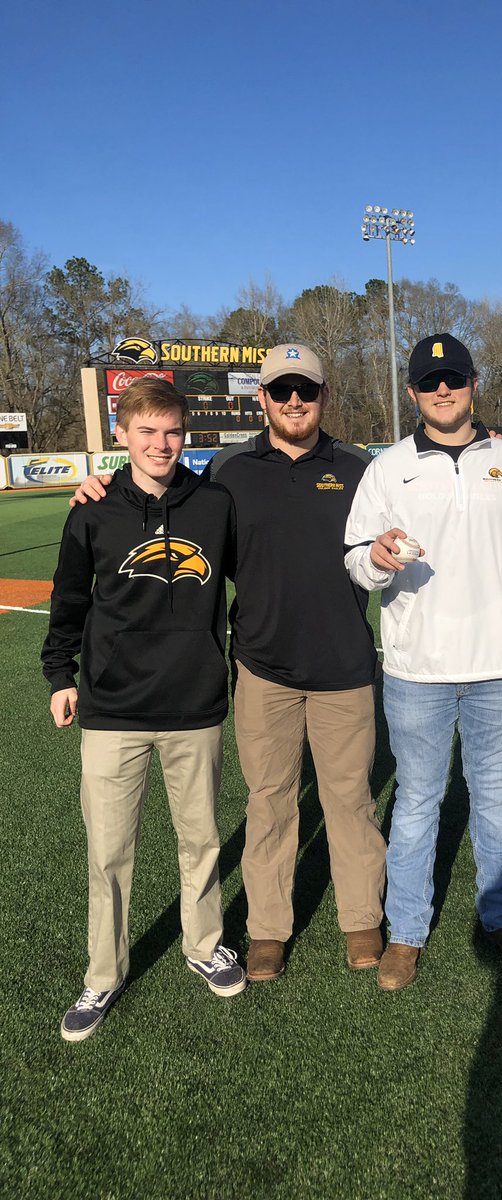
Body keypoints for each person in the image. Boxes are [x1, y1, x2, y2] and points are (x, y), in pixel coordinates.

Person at [71, 345, 386, 983]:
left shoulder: (359, 468)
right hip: (262, 668)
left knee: (350, 801)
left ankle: (362, 921)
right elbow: (173, 510)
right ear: (262, 398)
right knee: (270, 802)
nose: (294, 401)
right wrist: (100, 488)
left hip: (345, 664)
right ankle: (267, 928)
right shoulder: (228, 469)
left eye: (307, 390)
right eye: (281, 390)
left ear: (325, 395)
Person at [344, 333, 502, 990]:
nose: (444, 390)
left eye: (455, 378)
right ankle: (407, 932)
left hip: (499, 665)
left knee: (497, 799)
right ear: (413, 392)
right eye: (430, 381)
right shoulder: (387, 469)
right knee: (418, 802)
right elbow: (356, 559)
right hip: (417, 669)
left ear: (473, 385)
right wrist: (378, 559)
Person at [43, 377, 245, 1042]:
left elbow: (255, 580)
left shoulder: (214, 503)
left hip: (194, 706)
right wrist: (59, 675)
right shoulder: (93, 510)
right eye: (148, 432)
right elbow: (69, 598)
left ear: (185, 434)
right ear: (123, 436)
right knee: (109, 853)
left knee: (202, 842)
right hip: (111, 708)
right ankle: (103, 974)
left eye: (172, 432)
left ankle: (204, 943)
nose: (161, 444)